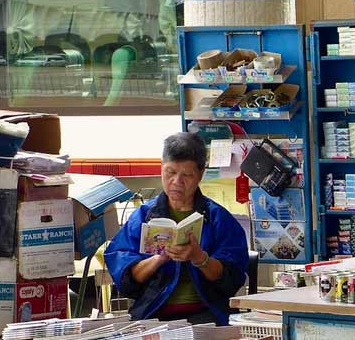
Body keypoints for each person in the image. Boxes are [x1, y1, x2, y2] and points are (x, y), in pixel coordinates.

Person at [105, 132, 249, 325]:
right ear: (161, 168)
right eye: (170, 172)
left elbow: (232, 279)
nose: (176, 182)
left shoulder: (217, 218)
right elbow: (126, 280)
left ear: (200, 174)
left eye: (187, 175)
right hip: (153, 313)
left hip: (206, 314)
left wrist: (199, 257)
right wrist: (159, 258)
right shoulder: (143, 216)